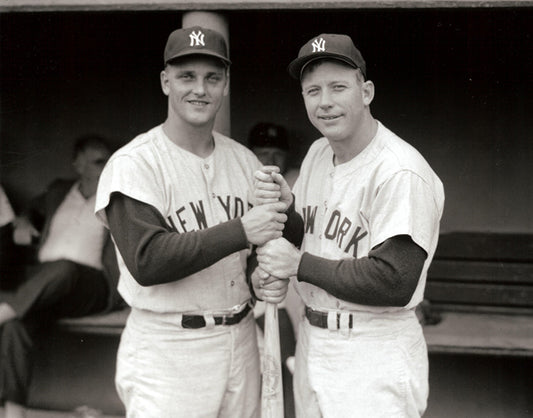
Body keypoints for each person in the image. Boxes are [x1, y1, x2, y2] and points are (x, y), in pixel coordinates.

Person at [94, 26, 289, 418]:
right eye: (187, 76)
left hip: (241, 336)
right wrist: (243, 230)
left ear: (225, 85)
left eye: (211, 78)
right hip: (170, 348)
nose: (200, 89)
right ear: (166, 82)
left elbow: (249, 251)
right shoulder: (135, 164)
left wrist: (255, 274)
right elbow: (147, 260)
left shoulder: (244, 161)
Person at [252, 33, 445, 417]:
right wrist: (287, 215)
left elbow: (395, 279)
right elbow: (312, 237)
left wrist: (297, 266)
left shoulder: (399, 170)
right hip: (315, 338)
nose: (325, 102)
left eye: (338, 87)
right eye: (313, 91)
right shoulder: (319, 153)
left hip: (372, 348)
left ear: (367, 92)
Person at [0, 135, 122, 418]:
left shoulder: (117, 198)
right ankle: (14, 411)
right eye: (97, 161)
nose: (106, 166)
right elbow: (33, 207)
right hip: (47, 283)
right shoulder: (59, 190)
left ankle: (4, 310)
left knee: (64, 267)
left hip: (91, 285)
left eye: (108, 160)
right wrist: (25, 220)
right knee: (17, 325)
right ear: (77, 163)